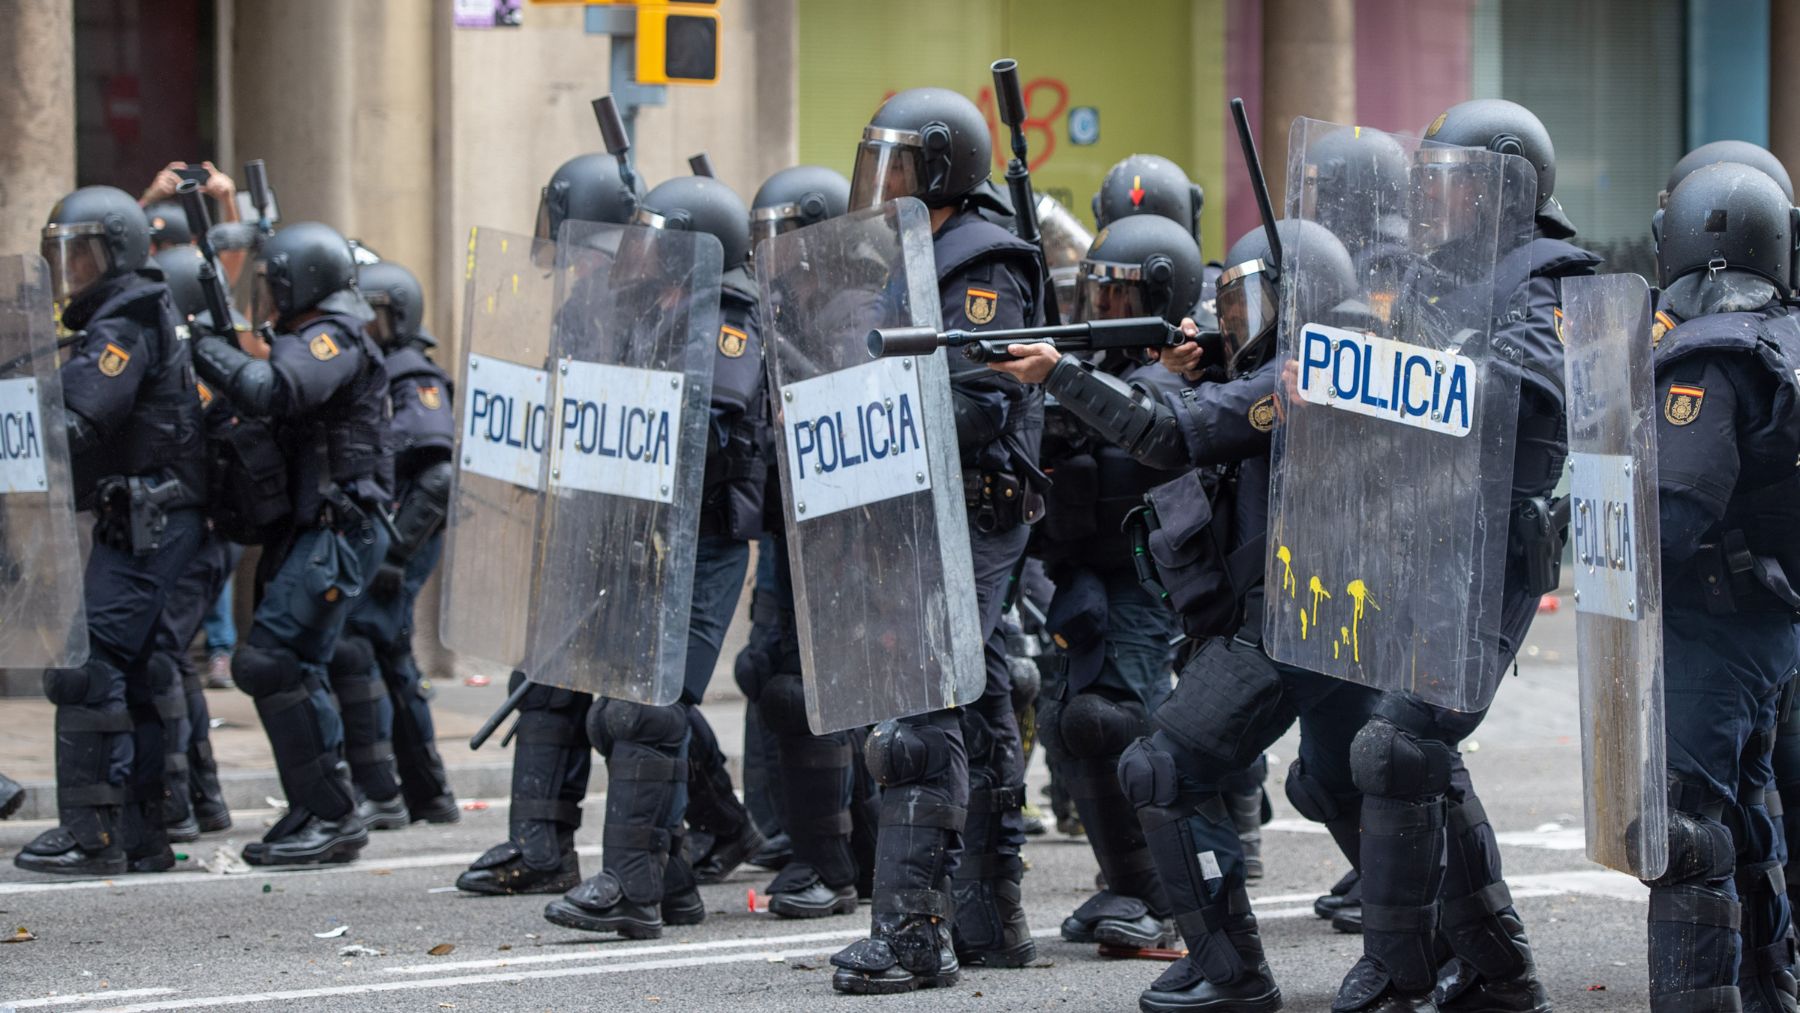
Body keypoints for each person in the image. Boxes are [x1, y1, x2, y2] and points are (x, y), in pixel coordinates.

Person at [989, 217, 1373, 1012]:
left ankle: (1234, 972)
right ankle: (1434, 957)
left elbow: (1171, 434)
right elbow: (1210, 421)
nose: (1225, 324)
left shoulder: (1298, 377)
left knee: (1162, 765)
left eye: (1244, 307)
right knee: (1343, 782)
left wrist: (1063, 374)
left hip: (1292, 622)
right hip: (1341, 622)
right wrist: (1179, 373)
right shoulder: (1332, 368)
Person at [1328, 101, 1595, 1013]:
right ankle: (1496, 970)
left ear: (1510, 190)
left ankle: (1399, 971)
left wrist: (1384, 375)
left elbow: (1518, 391)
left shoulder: (1548, 278)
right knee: (1408, 758)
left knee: (1397, 745)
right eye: (1428, 177)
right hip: (1415, 537)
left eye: (1456, 181)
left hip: (1489, 551)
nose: (1433, 198)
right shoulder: (1434, 275)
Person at [829, 87, 1048, 994]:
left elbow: (979, 397)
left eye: (903, 166)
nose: (882, 183)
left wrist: (866, 415)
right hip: (918, 508)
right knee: (985, 697)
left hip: (970, 510)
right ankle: (989, 915)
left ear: (947, 169)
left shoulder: (984, 261)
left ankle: (916, 932)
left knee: (919, 715)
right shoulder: (907, 249)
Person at [542, 173, 764, 939]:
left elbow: (718, 402)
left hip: (704, 543)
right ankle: (670, 877)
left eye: (651, 237)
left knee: (646, 706)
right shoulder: (641, 312)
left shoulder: (727, 318)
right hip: (645, 537)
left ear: (687, 254)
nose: (635, 250)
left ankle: (630, 888)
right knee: (617, 705)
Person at [457, 151, 643, 898]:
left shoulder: (632, 300)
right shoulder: (582, 304)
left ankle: (723, 827)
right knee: (544, 675)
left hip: (624, 526)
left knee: (638, 703)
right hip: (577, 516)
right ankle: (538, 843)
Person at [1643, 159, 1800, 1013]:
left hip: (1712, 622)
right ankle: (1768, 988)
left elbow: (1672, 511)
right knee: (1746, 813)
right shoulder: (1784, 335)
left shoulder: (1710, 358)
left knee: (1689, 830)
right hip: (1770, 621)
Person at [14, 186, 207, 876]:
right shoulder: (121, 315)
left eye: (84, 254)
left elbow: (83, 421)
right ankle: (143, 832)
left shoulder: (123, 323)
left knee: (87, 664)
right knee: (140, 668)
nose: (71, 270)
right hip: (151, 517)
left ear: (117, 253)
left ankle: (91, 834)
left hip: (150, 518)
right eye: (61, 255)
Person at [189, 221, 392, 867]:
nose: (266, 295)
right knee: (289, 667)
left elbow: (275, 389)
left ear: (300, 282)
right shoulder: (299, 337)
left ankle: (333, 814)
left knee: (271, 660)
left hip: (338, 529)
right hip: (307, 527)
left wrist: (207, 347)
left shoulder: (331, 337)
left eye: (272, 283)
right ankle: (319, 809)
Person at [1030, 213, 1201, 952]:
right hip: (1087, 576)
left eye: (1115, 297)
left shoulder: (1178, 374)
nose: (1098, 311)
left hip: (1152, 582)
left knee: (1121, 724)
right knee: (1075, 722)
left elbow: (1146, 427)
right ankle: (1129, 881)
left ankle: (1172, 903)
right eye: (1093, 294)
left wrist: (1065, 388)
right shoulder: (1095, 370)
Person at [726, 164, 873, 919]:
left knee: (829, 691)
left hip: (846, 535)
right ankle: (821, 853)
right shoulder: (778, 311)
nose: (767, 256)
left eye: (779, 239)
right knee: (782, 684)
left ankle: (835, 864)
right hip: (792, 527)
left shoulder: (853, 311)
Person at [326, 259, 461, 829]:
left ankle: (381, 790)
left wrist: (396, 556)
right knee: (390, 658)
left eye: (376, 313)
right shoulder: (377, 368)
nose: (366, 324)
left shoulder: (412, 375)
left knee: (357, 650)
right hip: (384, 541)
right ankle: (427, 794)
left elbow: (437, 478)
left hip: (397, 542)